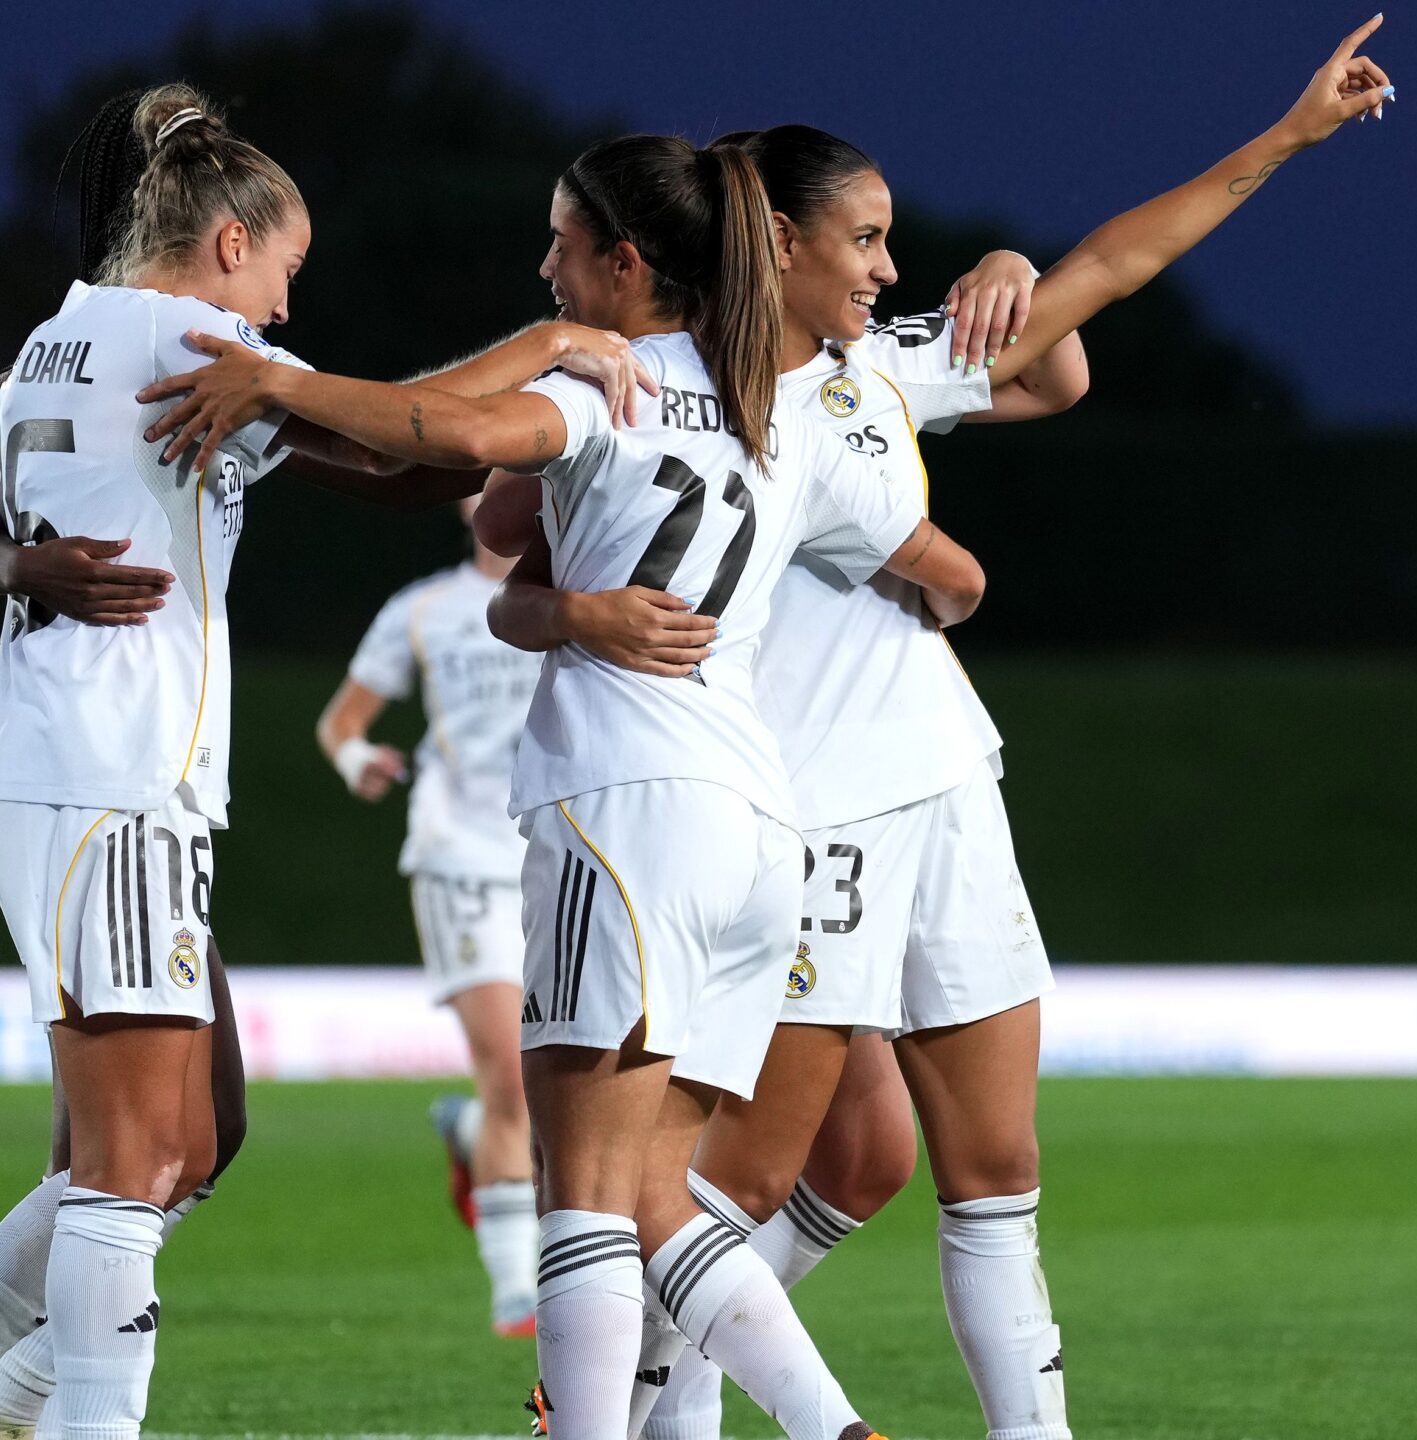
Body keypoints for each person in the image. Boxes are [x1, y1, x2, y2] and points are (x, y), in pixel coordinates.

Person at [483, 22, 1398, 1440]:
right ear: (776, 242)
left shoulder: (876, 366)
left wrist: (1276, 142)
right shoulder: (682, 388)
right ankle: (655, 1400)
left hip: (946, 781)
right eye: (864, 239)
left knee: (985, 1167)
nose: (888, 267)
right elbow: (518, 539)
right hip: (807, 807)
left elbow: (1089, 305)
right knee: (747, 1175)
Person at [0, 83, 650, 1440]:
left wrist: (8, 551)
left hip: (76, 763)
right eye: (283, 272)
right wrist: (554, 347)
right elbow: (407, 460)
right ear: (228, 244)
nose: (283, 311)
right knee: (136, 1156)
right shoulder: (189, 338)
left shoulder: (60, 336)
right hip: (111, 767)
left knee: (198, 1131)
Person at [136, 132, 986, 1440]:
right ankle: (838, 1431)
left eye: (564, 244)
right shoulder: (788, 401)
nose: (547, 268)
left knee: (581, 1196)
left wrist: (277, 385)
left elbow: (457, 435)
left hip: (625, 805)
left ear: (627, 262)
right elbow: (517, 560)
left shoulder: (614, 382)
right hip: (757, 828)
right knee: (659, 1201)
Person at [315, 494, 547, 1336]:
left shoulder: (588, 591)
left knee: (562, 1078)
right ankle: (518, 1290)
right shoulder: (424, 610)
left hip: (564, 854)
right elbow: (341, 722)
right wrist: (355, 759)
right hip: (462, 857)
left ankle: (474, 1133)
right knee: (514, 1075)